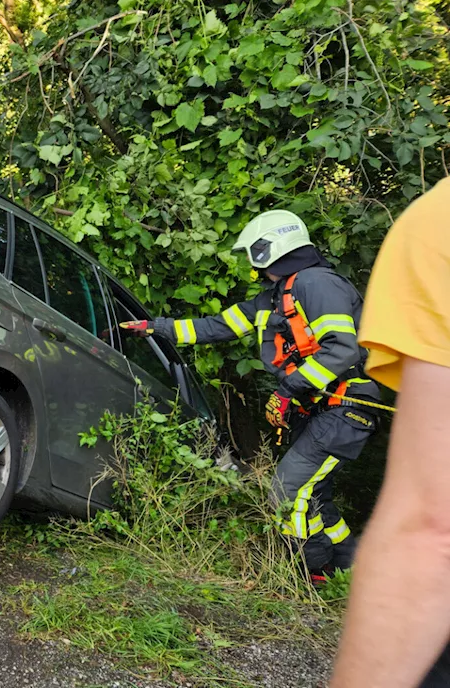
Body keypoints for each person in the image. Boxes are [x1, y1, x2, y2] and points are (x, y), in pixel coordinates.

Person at [121, 210, 380, 584]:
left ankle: (310, 569)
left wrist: (289, 389)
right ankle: (350, 565)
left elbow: (343, 349)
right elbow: (217, 327)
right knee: (315, 492)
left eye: (253, 251)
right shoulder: (273, 299)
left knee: (287, 488)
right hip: (324, 409)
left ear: (271, 247)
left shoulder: (317, 285)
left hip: (347, 407)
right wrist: (156, 328)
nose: (250, 261)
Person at [330, 178, 450, 688]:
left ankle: (321, 566)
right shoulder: (283, 294)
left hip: (341, 411)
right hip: (339, 408)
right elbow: (225, 323)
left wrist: (293, 391)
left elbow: (434, 527)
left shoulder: (437, 227)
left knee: (295, 489)